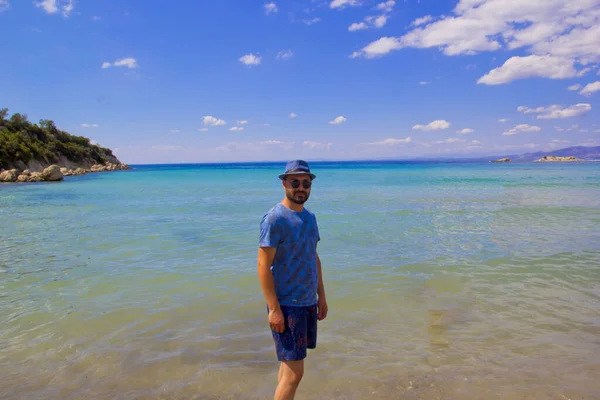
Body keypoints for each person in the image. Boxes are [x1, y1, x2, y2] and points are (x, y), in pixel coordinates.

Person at [257, 159, 328, 400]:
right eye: (295, 182)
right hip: (287, 305)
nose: (301, 188)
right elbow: (263, 265)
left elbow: (313, 257)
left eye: (306, 183)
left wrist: (322, 296)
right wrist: (274, 309)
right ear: (284, 184)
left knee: (288, 368)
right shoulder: (275, 218)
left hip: (307, 302)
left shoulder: (310, 218)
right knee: (295, 373)